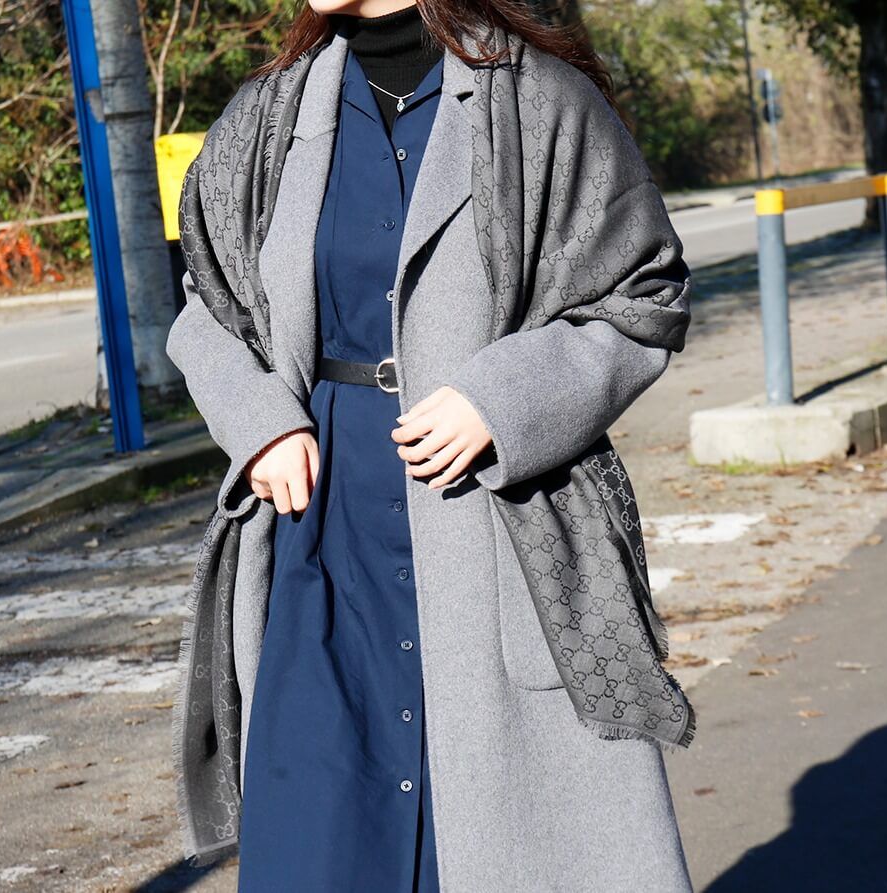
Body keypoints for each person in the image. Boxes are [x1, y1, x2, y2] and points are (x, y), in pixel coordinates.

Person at [166, 2, 696, 891]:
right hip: (317, 531)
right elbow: (206, 304)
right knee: (320, 842)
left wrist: (503, 400)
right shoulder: (266, 117)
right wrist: (258, 421)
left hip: (492, 516)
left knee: (496, 835)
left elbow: (643, 294)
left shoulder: (539, 101)